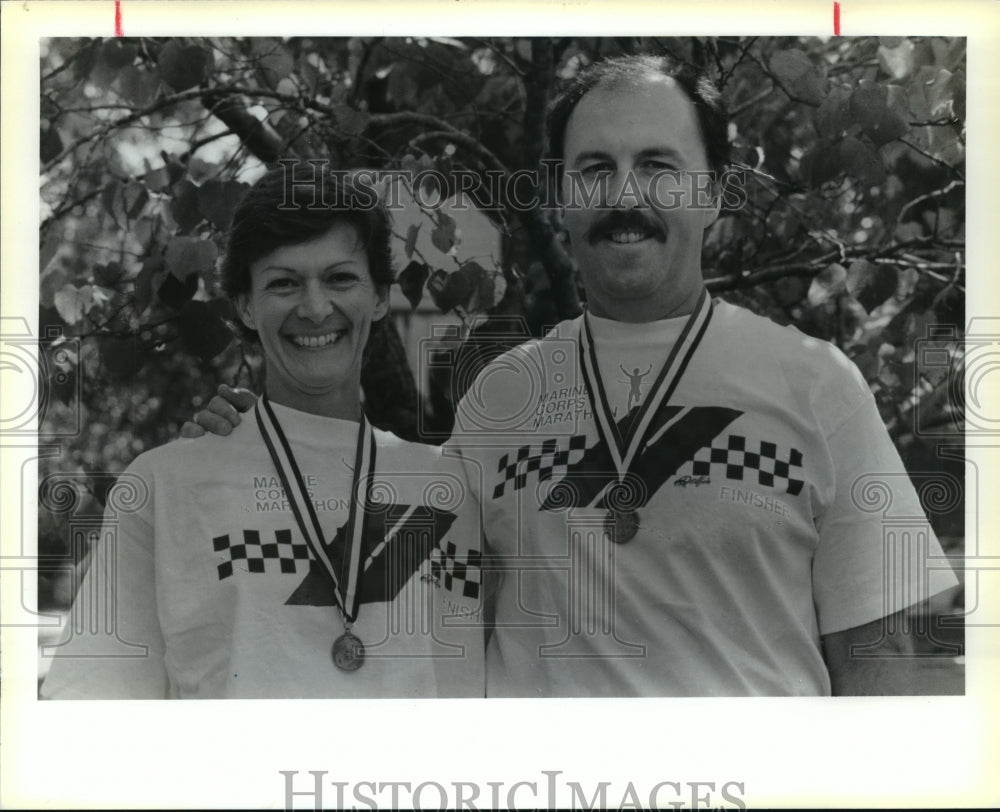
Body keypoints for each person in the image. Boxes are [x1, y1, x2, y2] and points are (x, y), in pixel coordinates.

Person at [189, 55, 959, 697]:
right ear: (559, 194)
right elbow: (378, 590)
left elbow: (892, 659)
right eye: (595, 168)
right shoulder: (499, 397)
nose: (624, 196)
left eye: (657, 166)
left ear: (714, 192)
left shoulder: (817, 385)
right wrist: (256, 446)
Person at [40, 167, 484, 699]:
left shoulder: (454, 485)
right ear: (247, 306)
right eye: (284, 283)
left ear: (382, 296)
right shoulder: (166, 486)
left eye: (340, 278)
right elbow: (94, 710)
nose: (316, 308)